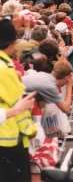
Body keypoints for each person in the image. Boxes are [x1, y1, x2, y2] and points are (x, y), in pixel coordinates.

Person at [0, 19, 37, 182]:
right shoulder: (5, 69)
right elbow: (19, 106)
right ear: (12, 42)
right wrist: (31, 131)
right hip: (10, 142)